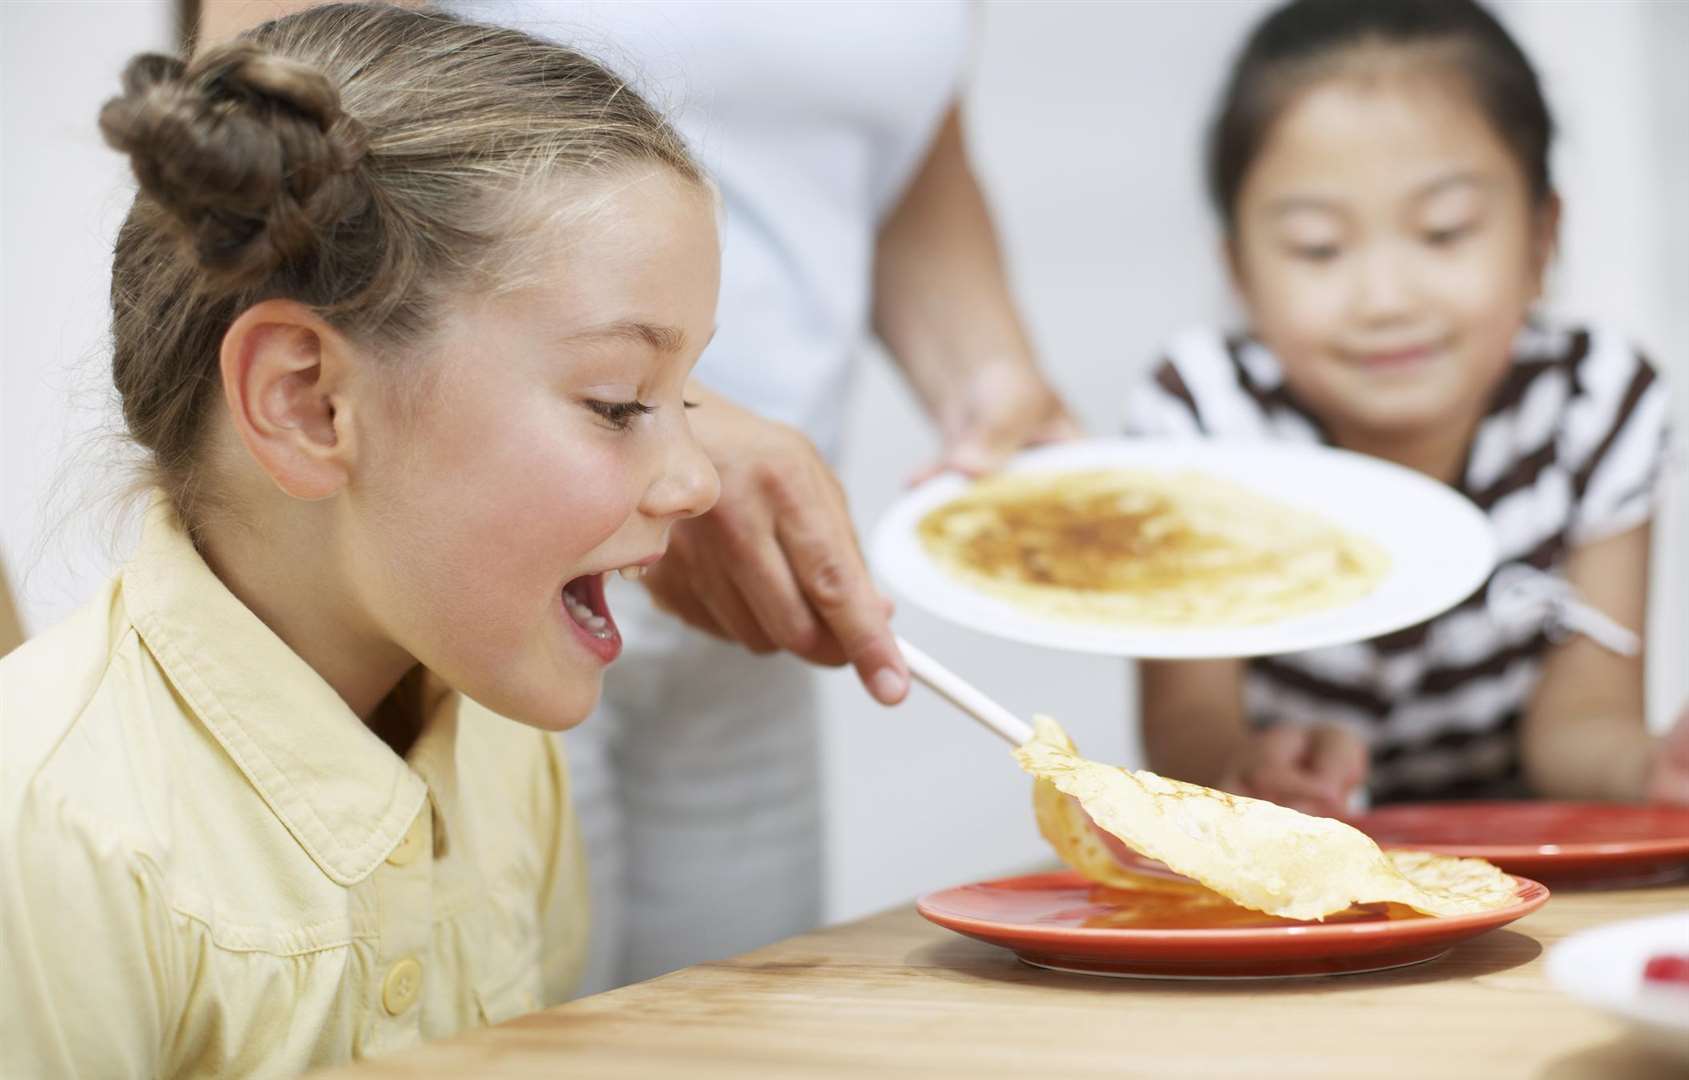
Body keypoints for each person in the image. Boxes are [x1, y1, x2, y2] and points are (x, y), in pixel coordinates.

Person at [200, 0, 1078, 991]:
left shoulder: (683, 486)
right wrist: (684, 419)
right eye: (618, 401)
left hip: (738, 604)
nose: (690, 473)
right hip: (477, 605)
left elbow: (895, 131)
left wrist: (989, 379)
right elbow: (255, 167)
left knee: (735, 1043)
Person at [0, 5, 723, 1074]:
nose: (700, 480)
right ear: (307, 402)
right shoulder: (48, 836)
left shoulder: (506, 743)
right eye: (619, 402)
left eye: (689, 395)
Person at [1124, 0, 1684, 816]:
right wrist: (1244, 770)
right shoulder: (1201, 418)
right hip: (1282, 876)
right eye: (1318, 246)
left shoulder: (1596, 403)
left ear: (1540, 236)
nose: (1383, 299)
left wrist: (1650, 770)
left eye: (1444, 231)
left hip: (1522, 877)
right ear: (1237, 271)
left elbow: (1581, 724)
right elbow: (1187, 723)